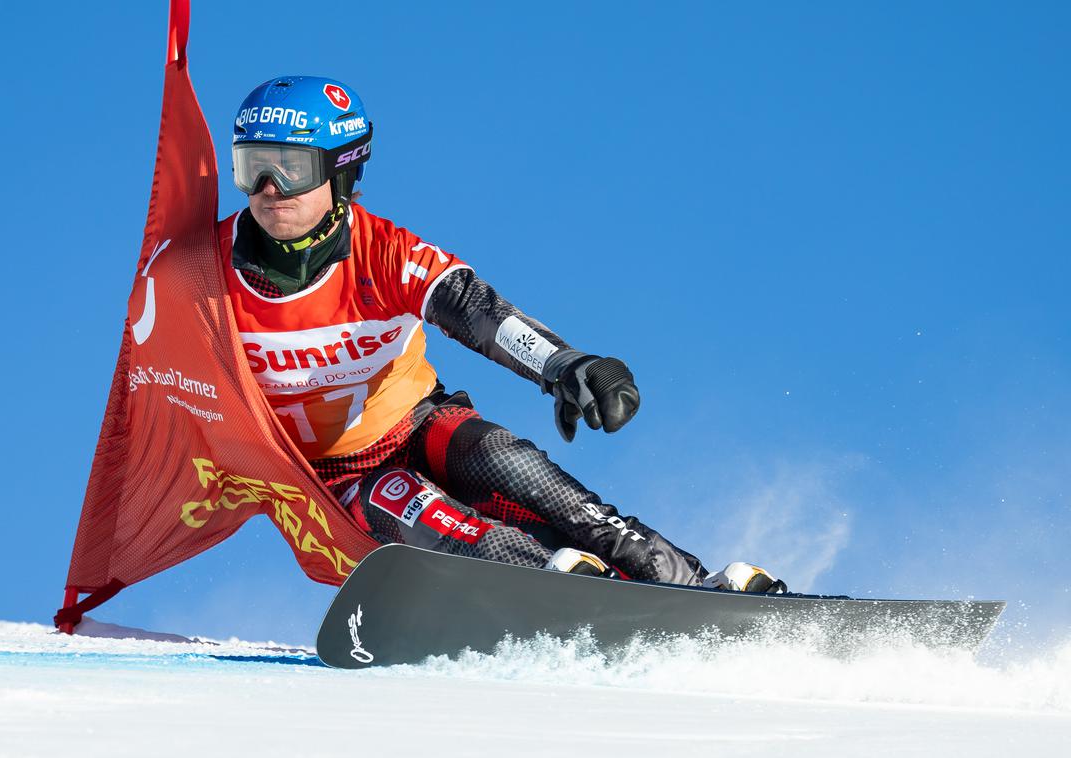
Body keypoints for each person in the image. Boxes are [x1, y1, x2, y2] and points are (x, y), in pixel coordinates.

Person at [224, 76, 784, 593]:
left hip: (415, 425)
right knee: (397, 500)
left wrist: (564, 366)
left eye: (290, 167)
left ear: (339, 170)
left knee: (505, 461)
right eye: (253, 167)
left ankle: (686, 583)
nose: (270, 189)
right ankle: (548, 580)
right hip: (326, 485)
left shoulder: (384, 254)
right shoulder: (201, 275)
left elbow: (475, 311)